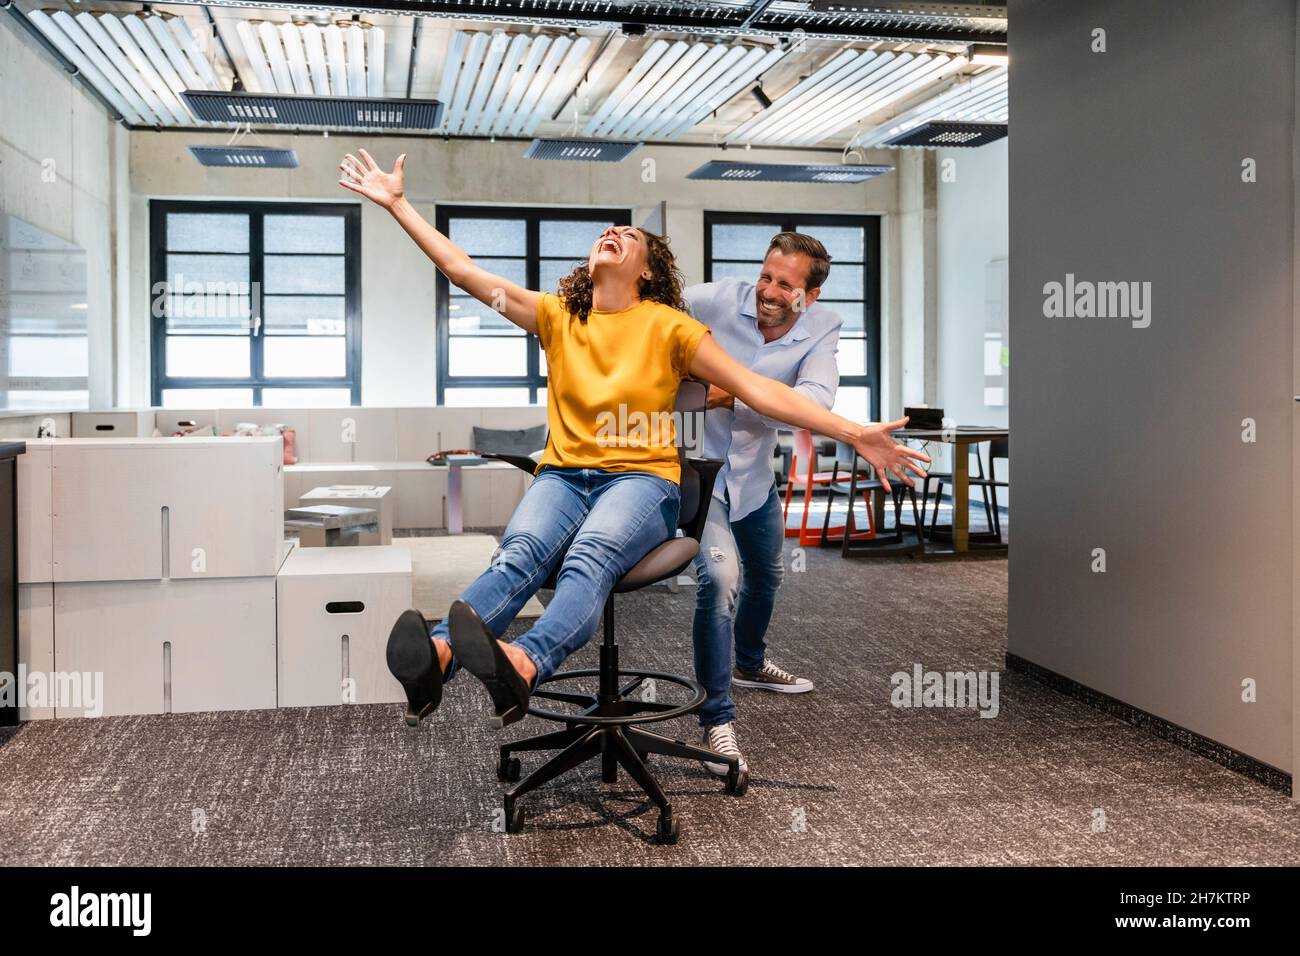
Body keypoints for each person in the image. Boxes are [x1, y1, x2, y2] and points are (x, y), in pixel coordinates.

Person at [336, 149, 929, 732]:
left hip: (643, 481)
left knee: (590, 555)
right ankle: (438, 657)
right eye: (608, 230)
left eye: (629, 234)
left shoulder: (671, 326)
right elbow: (464, 272)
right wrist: (397, 206)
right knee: (518, 553)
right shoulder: (558, 316)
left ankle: (526, 660)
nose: (613, 233)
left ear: (646, 270)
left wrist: (856, 433)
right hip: (564, 475)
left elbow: (759, 390)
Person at [683, 232, 840, 774]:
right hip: (695, 473)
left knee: (768, 576)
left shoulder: (823, 327)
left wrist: (736, 391)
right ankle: (715, 719)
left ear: (810, 296)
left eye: (786, 285)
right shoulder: (710, 300)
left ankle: (749, 662)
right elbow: (649, 338)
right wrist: (707, 388)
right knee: (720, 581)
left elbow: (815, 404)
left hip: (751, 477)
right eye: (766, 276)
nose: (768, 291)